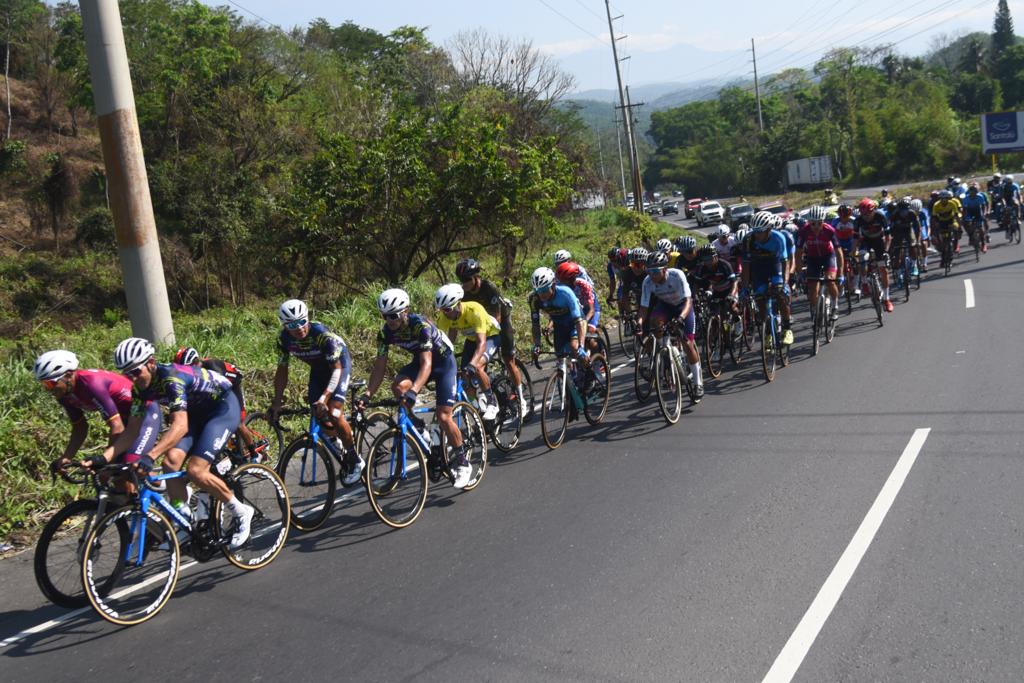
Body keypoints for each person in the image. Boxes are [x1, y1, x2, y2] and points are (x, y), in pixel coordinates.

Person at [97, 338, 255, 550]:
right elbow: (132, 430)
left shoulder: (171, 378)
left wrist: (150, 455)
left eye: (135, 371)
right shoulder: (139, 390)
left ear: (151, 363)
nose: (132, 378)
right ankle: (182, 516)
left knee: (196, 470)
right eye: (127, 374)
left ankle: (241, 510)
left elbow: (179, 426)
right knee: (170, 462)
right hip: (196, 414)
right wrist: (104, 458)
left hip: (222, 409)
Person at [361, 288, 472, 489]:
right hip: (420, 362)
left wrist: (414, 391)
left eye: (393, 315)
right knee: (397, 387)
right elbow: (379, 366)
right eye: (385, 316)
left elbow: (427, 365)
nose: (390, 320)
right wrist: (368, 393)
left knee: (444, 416)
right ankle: (419, 426)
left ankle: (463, 461)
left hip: (442, 364)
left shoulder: (421, 326)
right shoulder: (384, 333)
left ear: (405, 311)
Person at [270, 299, 362, 485]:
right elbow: (282, 371)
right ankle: (337, 438)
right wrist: (277, 401)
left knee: (334, 411)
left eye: (303, 321)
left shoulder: (321, 335)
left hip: (339, 366)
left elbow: (336, 370)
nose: (300, 328)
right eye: (292, 325)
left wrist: (325, 396)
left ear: (308, 318)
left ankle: (355, 459)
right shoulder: (283, 340)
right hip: (319, 370)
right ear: (284, 325)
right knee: (318, 413)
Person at [34, 350, 132, 473]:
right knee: (112, 477)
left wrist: (104, 459)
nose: (49, 389)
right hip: (125, 418)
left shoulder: (91, 383)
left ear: (68, 375)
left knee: (133, 468)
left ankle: (158, 486)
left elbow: (117, 426)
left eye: (50, 383)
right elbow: (80, 427)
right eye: (44, 385)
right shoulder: (64, 395)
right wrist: (66, 457)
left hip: (143, 413)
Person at [455, 258, 527, 416]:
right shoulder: (463, 294)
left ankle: (521, 398)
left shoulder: (489, 288)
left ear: (476, 277)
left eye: (467, 279)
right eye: (461, 280)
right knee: (470, 371)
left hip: (499, 324)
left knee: (508, 360)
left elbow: (496, 318)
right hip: (479, 328)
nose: (464, 283)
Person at [173, 347, 266, 460]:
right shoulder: (195, 373)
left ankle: (254, 453)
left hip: (232, 385)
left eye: (187, 369)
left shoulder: (212, 367)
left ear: (196, 363)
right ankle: (232, 446)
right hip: (217, 387)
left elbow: (221, 390)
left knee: (238, 422)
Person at [636, 250, 704, 401]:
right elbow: (644, 308)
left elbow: (688, 300)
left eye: (655, 271)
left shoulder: (677, 275)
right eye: (649, 271)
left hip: (683, 307)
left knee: (687, 342)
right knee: (655, 323)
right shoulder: (647, 281)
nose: (652, 275)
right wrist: (639, 323)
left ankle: (698, 383)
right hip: (665, 306)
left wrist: (681, 318)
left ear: (665, 269)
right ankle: (665, 351)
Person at [433, 283, 501, 421]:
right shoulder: (445, 316)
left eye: (447, 309)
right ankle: (476, 411)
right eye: (442, 310)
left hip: (490, 336)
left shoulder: (474, 310)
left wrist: (472, 364)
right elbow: (443, 341)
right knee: (465, 377)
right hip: (471, 339)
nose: (445, 313)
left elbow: (481, 344)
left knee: (476, 367)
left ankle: (492, 401)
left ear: (458, 304)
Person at [740, 211, 794, 345]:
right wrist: (745, 287)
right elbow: (746, 266)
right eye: (755, 231)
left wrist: (785, 283)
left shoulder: (778, 238)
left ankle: (787, 329)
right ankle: (768, 332)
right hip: (758, 269)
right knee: (759, 298)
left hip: (775, 266)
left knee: (780, 292)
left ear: (769, 229)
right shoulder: (748, 240)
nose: (757, 234)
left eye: (761, 231)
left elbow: (785, 263)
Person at [528, 267, 589, 369]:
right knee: (561, 358)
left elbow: (578, 322)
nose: (541, 294)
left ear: (553, 285)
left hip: (575, 322)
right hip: (559, 325)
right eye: (537, 291)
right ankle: (571, 380)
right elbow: (535, 325)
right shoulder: (534, 299)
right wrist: (537, 345)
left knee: (575, 348)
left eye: (544, 290)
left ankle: (590, 372)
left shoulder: (565, 293)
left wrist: (581, 346)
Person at [795, 205, 844, 322]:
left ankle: (835, 306)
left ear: (823, 222)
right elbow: (798, 254)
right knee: (812, 289)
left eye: (819, 223)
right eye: (813, 223)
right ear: (809, 222)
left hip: (828, 256)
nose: (816, 227)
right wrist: (800, 272)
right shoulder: (803, 232)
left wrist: (841, 273)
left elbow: (839, 252)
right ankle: (814, 308)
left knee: (829, 280)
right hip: (813, 258)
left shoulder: (830, 230)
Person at [853, 198, 894, 312]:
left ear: (874, 210)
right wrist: (852, 253)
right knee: (862, 258)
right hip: (866, 241)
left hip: (878, 241)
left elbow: (887, 236)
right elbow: (855, 239)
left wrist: (886, 251)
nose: (866, 216)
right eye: (863, 214)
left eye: (868, 213)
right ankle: (865, 284)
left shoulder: (880, 216)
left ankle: (887, 299)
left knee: (883, 269)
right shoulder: (858, 220)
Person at [556, 261, 601, 352]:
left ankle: (600, 356)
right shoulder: (560, 289)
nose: (562, 284)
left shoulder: (583, 285)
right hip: (577, 312)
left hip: (589, 309)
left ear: (572, 278)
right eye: (561, 281)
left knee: (590, 335)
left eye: (565, 281)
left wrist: (583, 323)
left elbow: (591, 310)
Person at [960, 183, 989, 252]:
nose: (973, 193)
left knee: (981, 229)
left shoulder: (980, 197)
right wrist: (963, 217)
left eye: (975, 191)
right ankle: (970, 236)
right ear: (969, 192)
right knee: (967, 225)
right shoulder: (966, 198)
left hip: (978, 212)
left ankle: (983, 244)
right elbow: (964, 209)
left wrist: (984, 213)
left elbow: (983, 206)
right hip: (969, 213)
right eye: (972, 191)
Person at [911, 198, 930, 272]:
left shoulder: (924, 212)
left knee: (923, 243)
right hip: (913, 228)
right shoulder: (910, 213)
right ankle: (914, 264)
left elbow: (927, 225)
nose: (916, 213)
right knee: (912, 246)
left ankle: (925, 263)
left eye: (918, 211)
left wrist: (927, 236)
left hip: (922, 227)